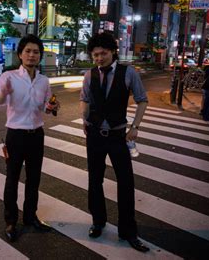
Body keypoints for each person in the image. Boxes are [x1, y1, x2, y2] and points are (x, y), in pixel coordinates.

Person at [79, 33, 149, 252]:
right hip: (95, 135)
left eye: (103, 54)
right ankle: (98, 222)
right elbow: (85, 99)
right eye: (95, 55)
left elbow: (142, 100)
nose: (99, 58)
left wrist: (135, 127)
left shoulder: (128, 72)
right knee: (94, 180)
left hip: (119, 135)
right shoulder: (89, 75)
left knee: (126, 183)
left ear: (113, 52)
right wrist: (85, 119)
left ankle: (128, 230)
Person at [0, 34, 60, 242]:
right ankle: (11, 221)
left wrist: (53, 107)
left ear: (40, 56)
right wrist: (3, 91)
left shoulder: (44, 81)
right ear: (20, 54)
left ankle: (30, 217)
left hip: (36, 135)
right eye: (28, 51)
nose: (32, 55)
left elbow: (47, 107)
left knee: (34, 179)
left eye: (36, 52)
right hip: (15, 135)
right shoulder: (9, 77)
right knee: (12, 179)